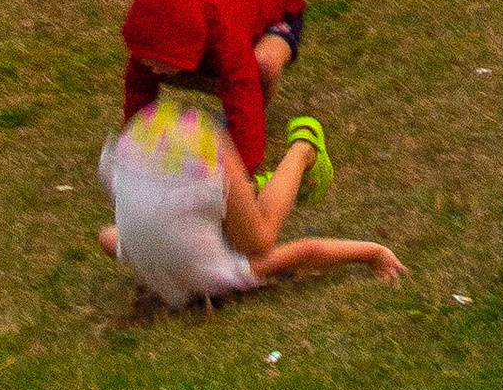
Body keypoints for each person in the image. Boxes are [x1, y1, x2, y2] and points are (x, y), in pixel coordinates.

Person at [97, 88, 402, 310]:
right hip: (140, 139)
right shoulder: (208, 272)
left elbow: (307, 251)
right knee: (256, 239)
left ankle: (302, 149)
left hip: (193, 151)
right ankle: (302, 151)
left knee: (258, 241)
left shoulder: (215, 273)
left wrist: (374, 254)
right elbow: (107, 237)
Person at [119, 0, 305, 180]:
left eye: (158, 63)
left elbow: (244, 97)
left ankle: (258, 114)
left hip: (279, 14)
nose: (153, 69)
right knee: (167, 71)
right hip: (221, 29)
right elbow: (137, 94)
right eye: (147, 62)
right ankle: (226, 98)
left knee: (261, 66)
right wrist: (132, 147)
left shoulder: (228, 40)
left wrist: (237, 179)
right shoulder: (154, 35)